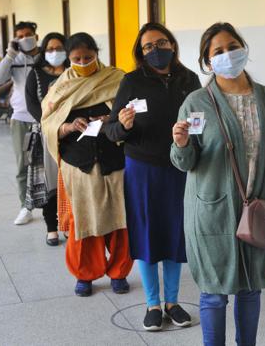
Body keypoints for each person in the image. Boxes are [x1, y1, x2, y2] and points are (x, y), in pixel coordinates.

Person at [171, 22, 265, 346]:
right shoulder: (197, 103)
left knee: (251, 288)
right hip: (211, 212)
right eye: (218, 51)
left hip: (257, 208)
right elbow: (186, 163)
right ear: (208, 63)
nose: (228, 55)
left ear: (244, 48)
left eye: (233, 46)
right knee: (213, 292)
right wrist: (181, 144)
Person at [106, 23, 201, 331]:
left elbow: (202, 123)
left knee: (175, 233)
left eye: (161, 42)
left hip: (179, 167)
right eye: (148, 46)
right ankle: (152, 304)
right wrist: (123, 125)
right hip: (142, 169)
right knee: (147, 234)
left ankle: (172, 303)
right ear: (141, 52)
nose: (156, 50)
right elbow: (111, 130)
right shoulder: (132, 82)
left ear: (172, 44)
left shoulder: (190, 79)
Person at [41, 32, 133, 297]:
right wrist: (68, 125)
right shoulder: (59, 87)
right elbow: (47, 123)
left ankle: (119, 271)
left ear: (97, 54)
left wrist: (111, 119)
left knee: (119, 221)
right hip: (77, 164)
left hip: (115, 160)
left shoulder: (117, 79)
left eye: (88, 57)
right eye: (77, 59)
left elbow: (132, 115)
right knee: (84, 220)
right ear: (69, 59)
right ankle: (85, 273)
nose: (83, 62)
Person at [0, 21, 42, 225]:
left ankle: (55, 208)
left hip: (46, 118)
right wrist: (10, 55)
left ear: (36, 36)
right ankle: (25, 207)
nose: (24, 38)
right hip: (21, 118)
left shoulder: (45, 57)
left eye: (28, 34)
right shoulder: (15, 58)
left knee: (51, 165)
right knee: (23, 166)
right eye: (19, 36)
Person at [25, 32, 69, 246]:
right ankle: (51, 226)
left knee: (70, 181)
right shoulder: (35, 74)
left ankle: (69, 223)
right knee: (48, 183)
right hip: (45, 134)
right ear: (43, 51)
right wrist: (50, 123)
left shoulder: (73, 71)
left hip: (71, 134)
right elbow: (32, 103)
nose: (55, 52)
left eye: (59, 48)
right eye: (50, 49)